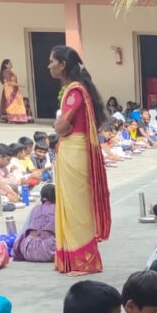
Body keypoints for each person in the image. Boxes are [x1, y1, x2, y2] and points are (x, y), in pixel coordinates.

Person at [48, 45, 111, 275]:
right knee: (73, 204)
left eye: (52, 61)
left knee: (78, 208)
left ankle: (85, 261)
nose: (49, 66)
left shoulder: (74, 91)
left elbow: (62, 126)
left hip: (74, 151)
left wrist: (57, 126)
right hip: (73, 150)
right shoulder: (77, 89)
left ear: (62, 64)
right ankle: (73, 259)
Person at [13, 183, 57, 262]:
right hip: (49, 251)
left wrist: (16, 250)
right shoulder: (57, 209)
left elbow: (24, 231)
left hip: (28, 251)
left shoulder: (35, 209)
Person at [0, 59, 30, 124]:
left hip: (14, 89)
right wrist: (19, 85)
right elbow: (9, 82)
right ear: (6, 65)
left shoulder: (9, 71)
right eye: (10, 63)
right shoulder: (6, 71)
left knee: (16, 104)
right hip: (10, 90)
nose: (11, 64)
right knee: (12, 104)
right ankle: (12, 119)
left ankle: (17, 119)